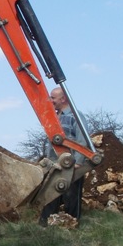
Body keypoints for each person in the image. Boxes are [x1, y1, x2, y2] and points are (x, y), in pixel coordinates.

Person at [39, 87, 89, 225]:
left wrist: (77, 162)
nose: (50, 100)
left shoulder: (75, 116)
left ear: (63, 99)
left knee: (71, 196)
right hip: (55, 165)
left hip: (71, 165)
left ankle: (73, 224)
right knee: (50, 195)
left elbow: (82, 139)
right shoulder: (56, 117)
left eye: (53, 97)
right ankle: (45, 225)